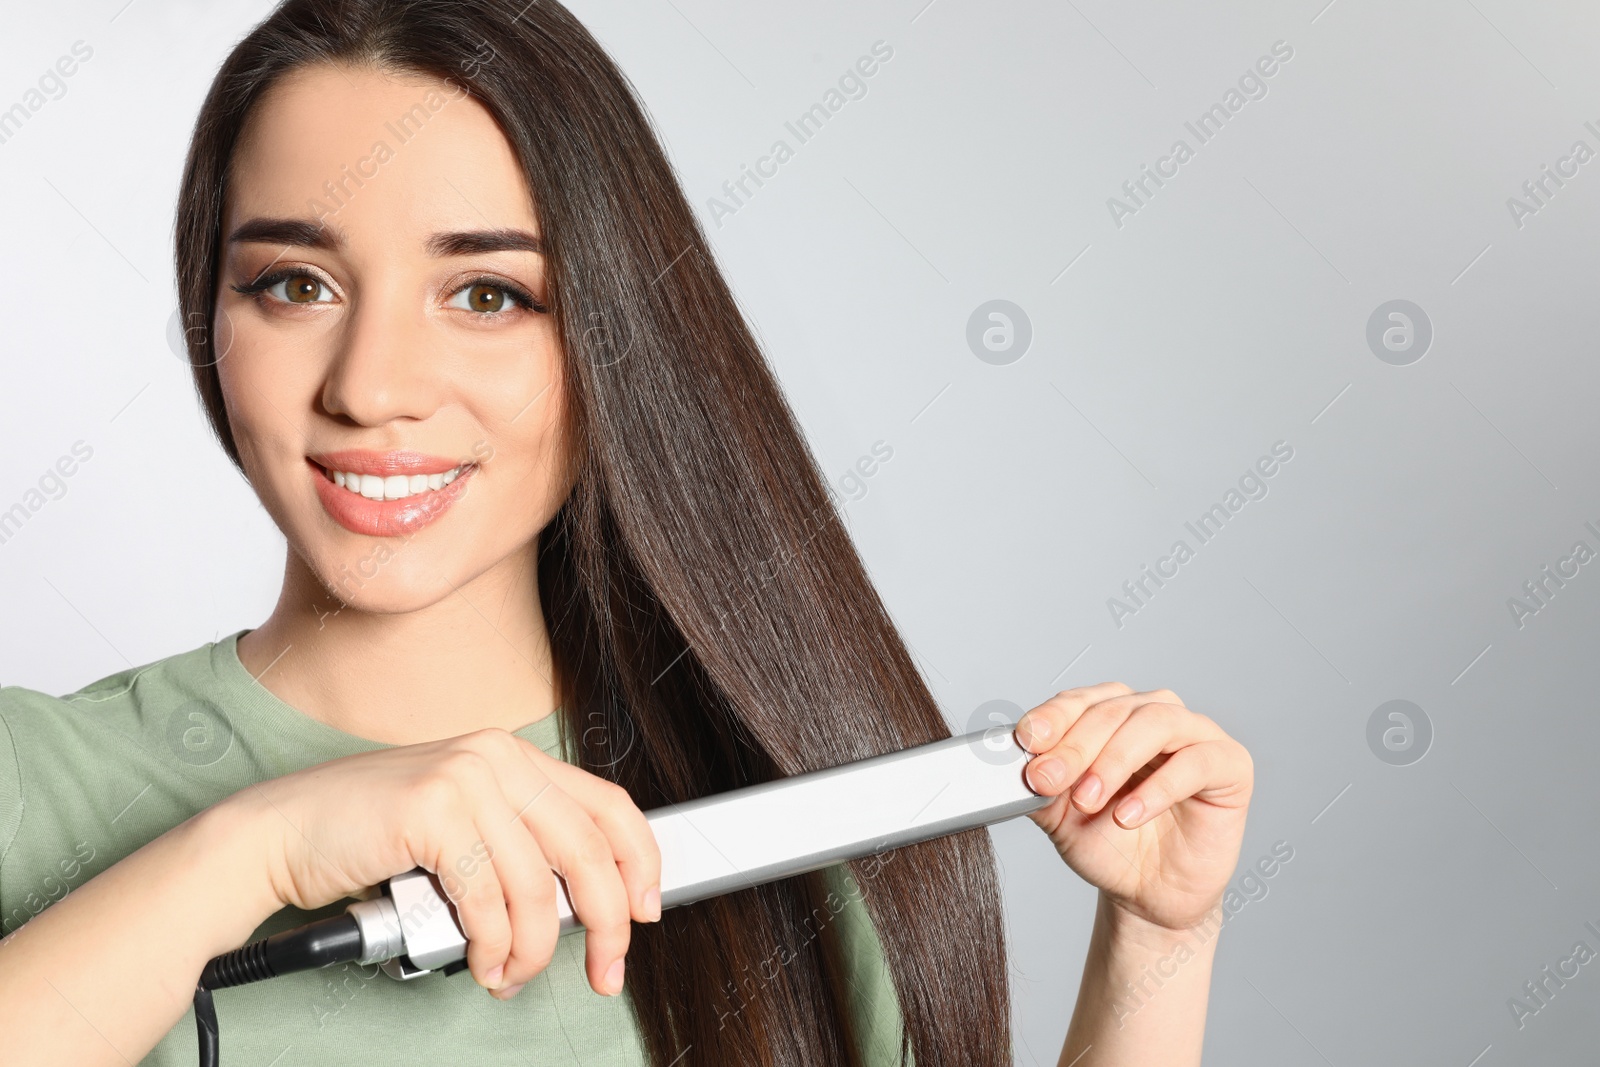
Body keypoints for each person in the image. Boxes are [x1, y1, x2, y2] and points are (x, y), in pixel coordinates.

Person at [0, 1, 1254, 1063]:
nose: (373, 384)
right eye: (296, 284)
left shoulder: (777, 830)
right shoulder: (33, 785)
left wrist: (1159, 938)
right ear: (209, 311)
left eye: (487, 294)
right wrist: (254, 850)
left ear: (610, 333)